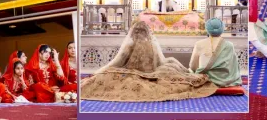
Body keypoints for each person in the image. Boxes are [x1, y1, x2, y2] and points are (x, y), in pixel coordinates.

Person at [81, 22, 219, 101]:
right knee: (171, 62)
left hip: (135, 73)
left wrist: (99, 72)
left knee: (108, 76)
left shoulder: (130, 46)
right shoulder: (152, 45)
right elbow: (161, 62)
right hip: (154, 71)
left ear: (133, 34)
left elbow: (116, 63)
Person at [189, 19, 242, 87]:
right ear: (222, 29)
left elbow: (193, 66)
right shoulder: (229, 45)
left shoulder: (199, 44)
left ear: (207, 29)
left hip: (205, 79)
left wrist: (196, 72)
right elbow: (234, 67)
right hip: (225, 79)